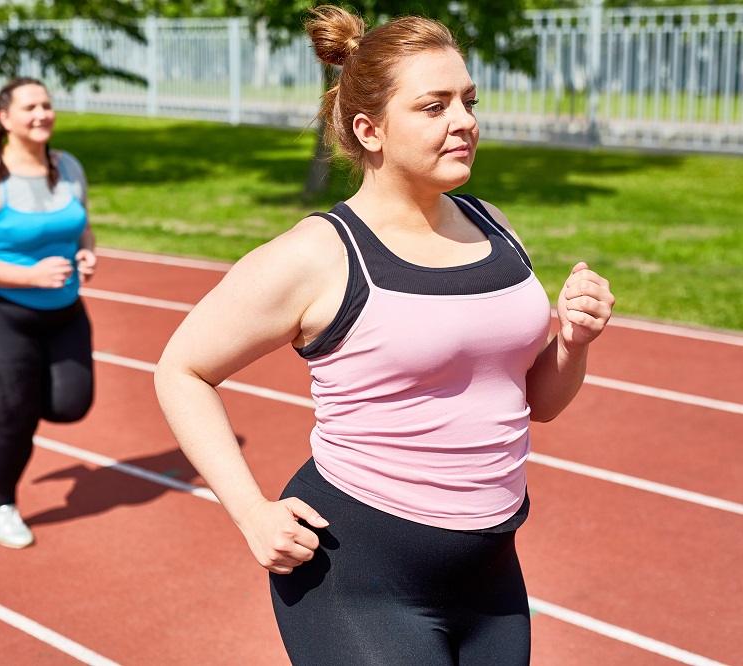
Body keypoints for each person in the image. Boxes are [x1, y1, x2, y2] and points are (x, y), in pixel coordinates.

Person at [154, 5, 614, 664]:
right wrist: (251, 511)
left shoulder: (494, 225)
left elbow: (535, 401)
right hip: (358, 575)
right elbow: (181, 370)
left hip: (491, 576)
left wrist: (572, 341)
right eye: (434, 107)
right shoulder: (319, 255)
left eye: (468, 101)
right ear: (370, 130)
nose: (465, 122)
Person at [0, 77, 97, 549]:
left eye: (47, 105)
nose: (41, 114)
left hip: (63, 311)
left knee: (71, 406)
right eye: (29, 106)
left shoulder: (68, 166)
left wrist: (87, 253)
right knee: (18, 414)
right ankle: (3, 505)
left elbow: (82, 227)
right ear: (4, 117)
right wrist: (30, 276)